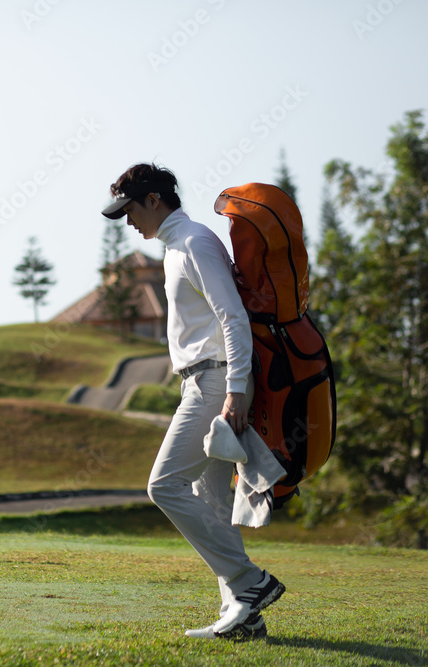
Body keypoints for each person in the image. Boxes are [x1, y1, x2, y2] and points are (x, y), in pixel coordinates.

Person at [101, 163, 284, 640]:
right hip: (202, 381)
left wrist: (238, 389)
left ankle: (251, 582)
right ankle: (243, 615)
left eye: (130, 211)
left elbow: (233, 318)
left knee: (163, 486)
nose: (129, 222)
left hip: (217, 383)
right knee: (209, 501)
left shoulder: (195, 242)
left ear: (155, 200)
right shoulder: (175, 248)